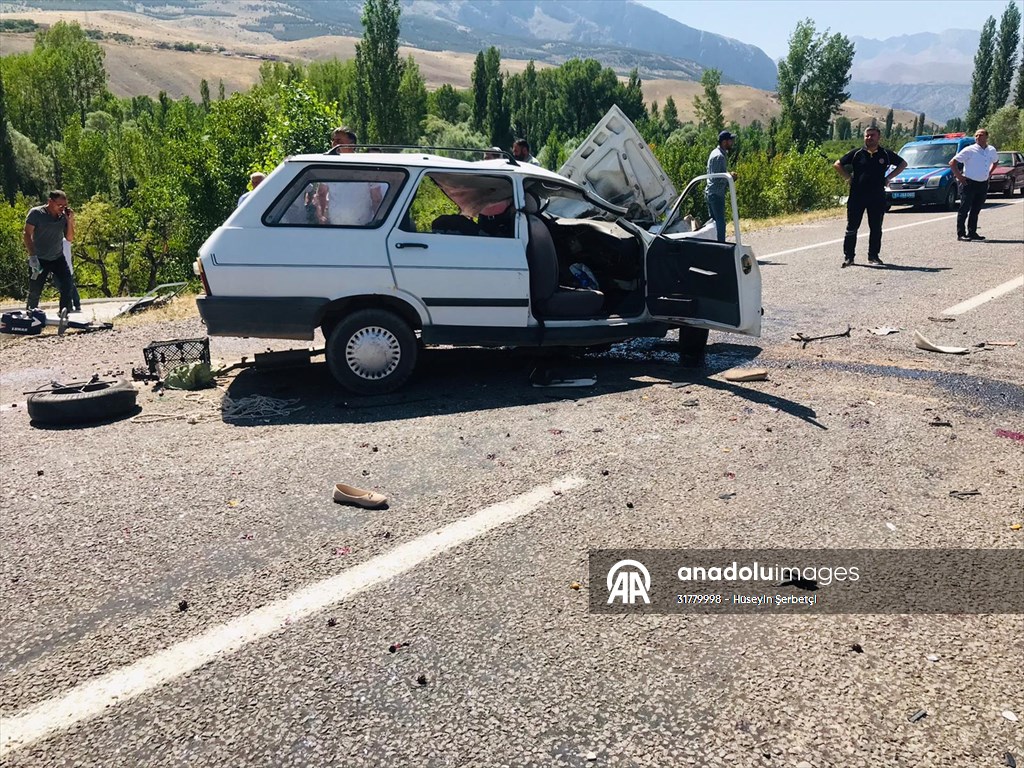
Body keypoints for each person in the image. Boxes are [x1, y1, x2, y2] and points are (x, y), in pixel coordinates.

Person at [834, 126, 907, 267]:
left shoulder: (885, 154)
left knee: (876, 227)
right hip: (857, 196)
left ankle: (873, 256)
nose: (869, 138)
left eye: (872, 135)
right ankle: (849, 257)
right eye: (867, 135)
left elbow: (903, 164)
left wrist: (888, 178)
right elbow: (837, 164)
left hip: (877, 196)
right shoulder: (857, 153)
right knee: (852, 227)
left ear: (878, 137)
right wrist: (848, 177)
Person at [25, 190, 76, 320]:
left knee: (67, 285)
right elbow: (27, 234)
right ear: (50, 202)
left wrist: (69, 221)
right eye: (60, 205)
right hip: (40, 258)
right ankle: (31, 314)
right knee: (35, 289)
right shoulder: (36, 213)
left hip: (57, 257)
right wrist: (32, 256)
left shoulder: (62, 217)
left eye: (64, 206)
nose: (62, 208)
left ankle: (63, 312)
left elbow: (69, 238)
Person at [950, 128, 999, 241]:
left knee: (976, 209)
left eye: (981, 135)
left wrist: (989, 173)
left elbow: (996, 161)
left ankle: (972, 232)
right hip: (969, 183)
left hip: (983, 183)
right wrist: (960, 177)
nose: (978, 137)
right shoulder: (969, 150)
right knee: (964, 209)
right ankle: (961, 234)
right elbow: (952, 163)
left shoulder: (991, 150)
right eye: (976, 135)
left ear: (986, 137)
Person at [705, 130, 737, 243]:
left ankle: (715, 245)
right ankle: (721, 245)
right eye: (730, 140)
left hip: (711, 192)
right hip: (716, 193)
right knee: (719, 222)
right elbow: (717, 178)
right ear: (724, 142)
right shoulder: (720, 157)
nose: (732, 142)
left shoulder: (715, 153)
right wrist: (730, 177)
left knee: (713, 223)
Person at [62, 238, 82, 313]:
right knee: (70, 286)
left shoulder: (61, 242)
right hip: (67, 267)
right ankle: (74, 304)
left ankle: (72, 304)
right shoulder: (67, 241)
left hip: (63, 267)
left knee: (67, 287)